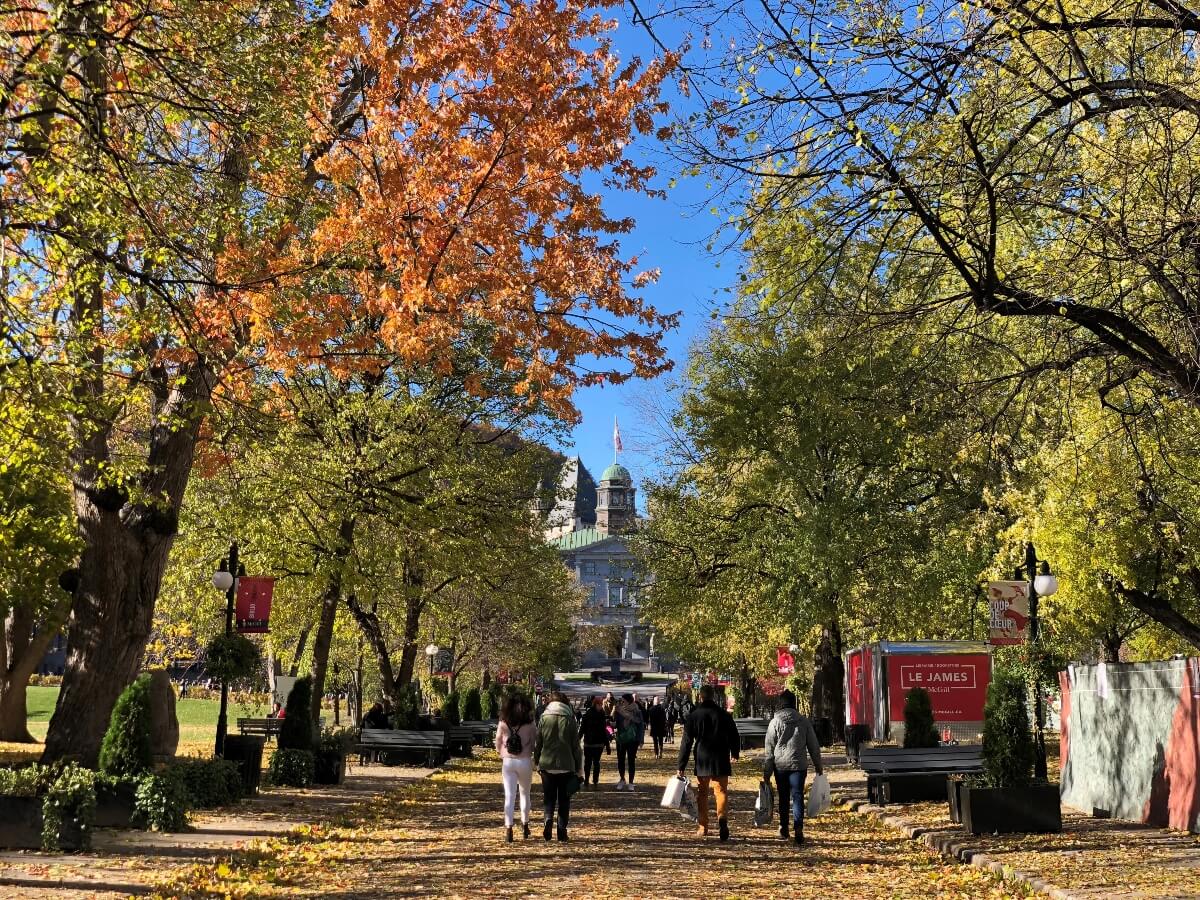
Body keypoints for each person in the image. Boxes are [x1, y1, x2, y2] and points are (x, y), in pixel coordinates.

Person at [677, 683, 740, 841]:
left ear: (701, 696)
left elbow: (686, 742)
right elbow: (734, 734)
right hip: (721, 757)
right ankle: (722, 819)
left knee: (702, 794)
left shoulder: (694, 716)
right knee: (721, 791)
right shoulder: (723, 715)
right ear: (713, 696)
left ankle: (703, 826)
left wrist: (681, 765)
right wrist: (735, 752)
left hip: (703, 758)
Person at [763, 690, 823, 845]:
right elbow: (813, 746)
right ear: (794, 703)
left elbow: (769, 750)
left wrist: (767, 772)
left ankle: (783, 826)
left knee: (783, 797)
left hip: (780, 765)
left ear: (780, 703)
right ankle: (798, 827)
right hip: (799, 765)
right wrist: (818, 766)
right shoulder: (803, 721)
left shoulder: (774, 722)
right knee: (797, 796)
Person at [534, 691, 583, 842]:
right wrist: (579, 766)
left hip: (547, 764)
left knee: (549, 798)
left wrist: (536, 761)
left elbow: (539, 743)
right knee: (564, 799)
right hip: (566, 764)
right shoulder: (570, 719)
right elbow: (576, 745)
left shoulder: (544, 717)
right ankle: (561, 830)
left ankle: (548, 818)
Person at [496, 693, 537, 842]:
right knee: (525, 794)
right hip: (524, 760)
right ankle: (525, 824)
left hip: (508, 762)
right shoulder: (530, 723)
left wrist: (503, 753)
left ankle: (509, 828)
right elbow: (534, 743)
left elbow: (498, 742)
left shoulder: (503, 723)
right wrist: (529, 751)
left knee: (510, 795)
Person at [613, 693, 643, 791]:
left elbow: (640, 725)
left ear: (628, 701)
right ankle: (622, 779)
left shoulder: (636, 710)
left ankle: (631, 782)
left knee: (631, 761)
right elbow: (615, 723)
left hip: (632, 739)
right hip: (621, 738)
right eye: (621, 701)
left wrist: (640, 740)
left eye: (623, 701)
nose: (622, 702)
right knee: (620, 760)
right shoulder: (619, 710)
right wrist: (614, 712)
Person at [580, 695, 611, 787]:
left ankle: (592, 780)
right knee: (592, 762)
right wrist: (607, 745)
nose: (601, 706)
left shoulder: (596, 715)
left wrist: (607, 745)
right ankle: (590, 779)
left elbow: (603, 731)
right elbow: (583, 728)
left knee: (592, 762)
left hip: (594, 743)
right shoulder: (595, 715)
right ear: (596, 704)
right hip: (593, 743)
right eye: (600, 704)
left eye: (601, 704)